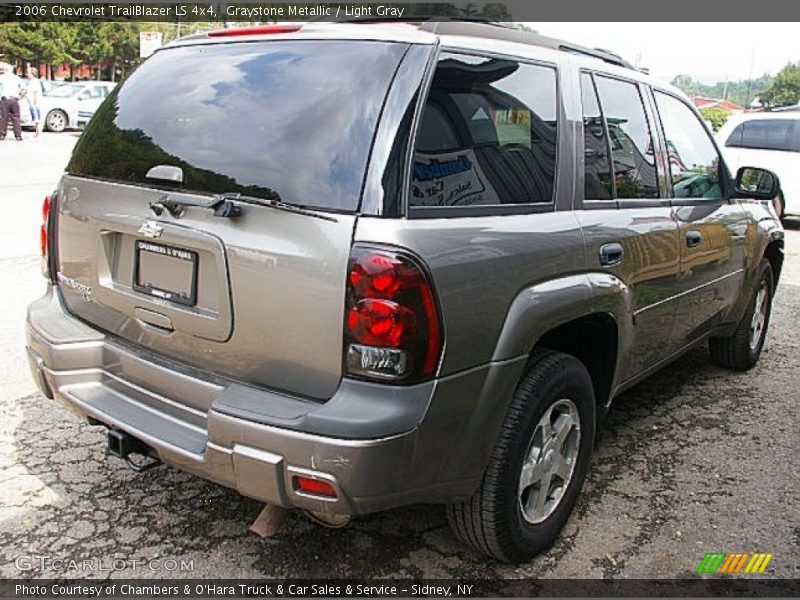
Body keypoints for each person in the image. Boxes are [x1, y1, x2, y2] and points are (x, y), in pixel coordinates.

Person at [0, 62, 24, 141]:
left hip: (5, 99)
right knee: (16, 117)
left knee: (4, 117)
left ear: (6, 70)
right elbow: (24, 88)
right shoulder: (16, 78)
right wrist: (20, 96)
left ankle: (2, 135)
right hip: (14, 99)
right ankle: (18, 135)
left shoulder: (2, 77)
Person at [25, 67, 44, 138]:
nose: (27, 74)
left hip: (35, 102)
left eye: (29, 73)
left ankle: (39, 134)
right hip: (31, 102)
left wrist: (35, 101)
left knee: (37, 118)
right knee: (35, 118)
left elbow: (35, 92)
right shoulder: (31, 81)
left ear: (32, 74)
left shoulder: (35, 81)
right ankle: (36, 133)